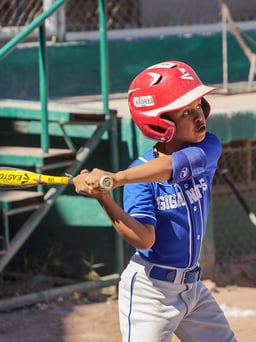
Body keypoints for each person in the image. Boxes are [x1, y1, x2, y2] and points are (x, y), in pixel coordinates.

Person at [73, 61, 237, 342]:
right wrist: (104, 197)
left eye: (199, 105)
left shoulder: (208, 147)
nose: (200, 116)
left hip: (192, 288)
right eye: (187, 111)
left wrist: (117, 178)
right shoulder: (139, 178)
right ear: (160, 122)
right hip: (151, 292)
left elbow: (175, 165)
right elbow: (144, 240)